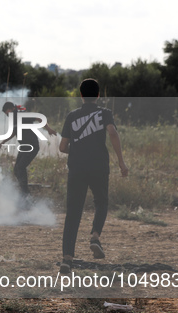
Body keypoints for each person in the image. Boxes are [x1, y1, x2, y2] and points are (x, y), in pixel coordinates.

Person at [59, 78, 129, 274]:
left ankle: (66, 260)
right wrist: (121, 162)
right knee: (101, 202)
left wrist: (77, 149)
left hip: (77, 168)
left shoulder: (72, 116)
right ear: (98, 95)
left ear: (81, 95)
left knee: (73, 213)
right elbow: (113, 133)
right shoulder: (105, 113)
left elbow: (62, 147)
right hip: (99, 167)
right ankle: (95, 236)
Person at [0, 102, 57, 198]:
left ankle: (26, 195)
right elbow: (14, 132)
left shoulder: (22, 115)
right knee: (16, 169)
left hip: (32, 146)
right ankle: (24, 191)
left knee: (21, 167)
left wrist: (49, 129)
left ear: (13, 108)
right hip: (24, 147)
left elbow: (39, 118)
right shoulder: (14, 119)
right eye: (6, 115)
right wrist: (3, 141)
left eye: (7, 113)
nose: (7, 116)